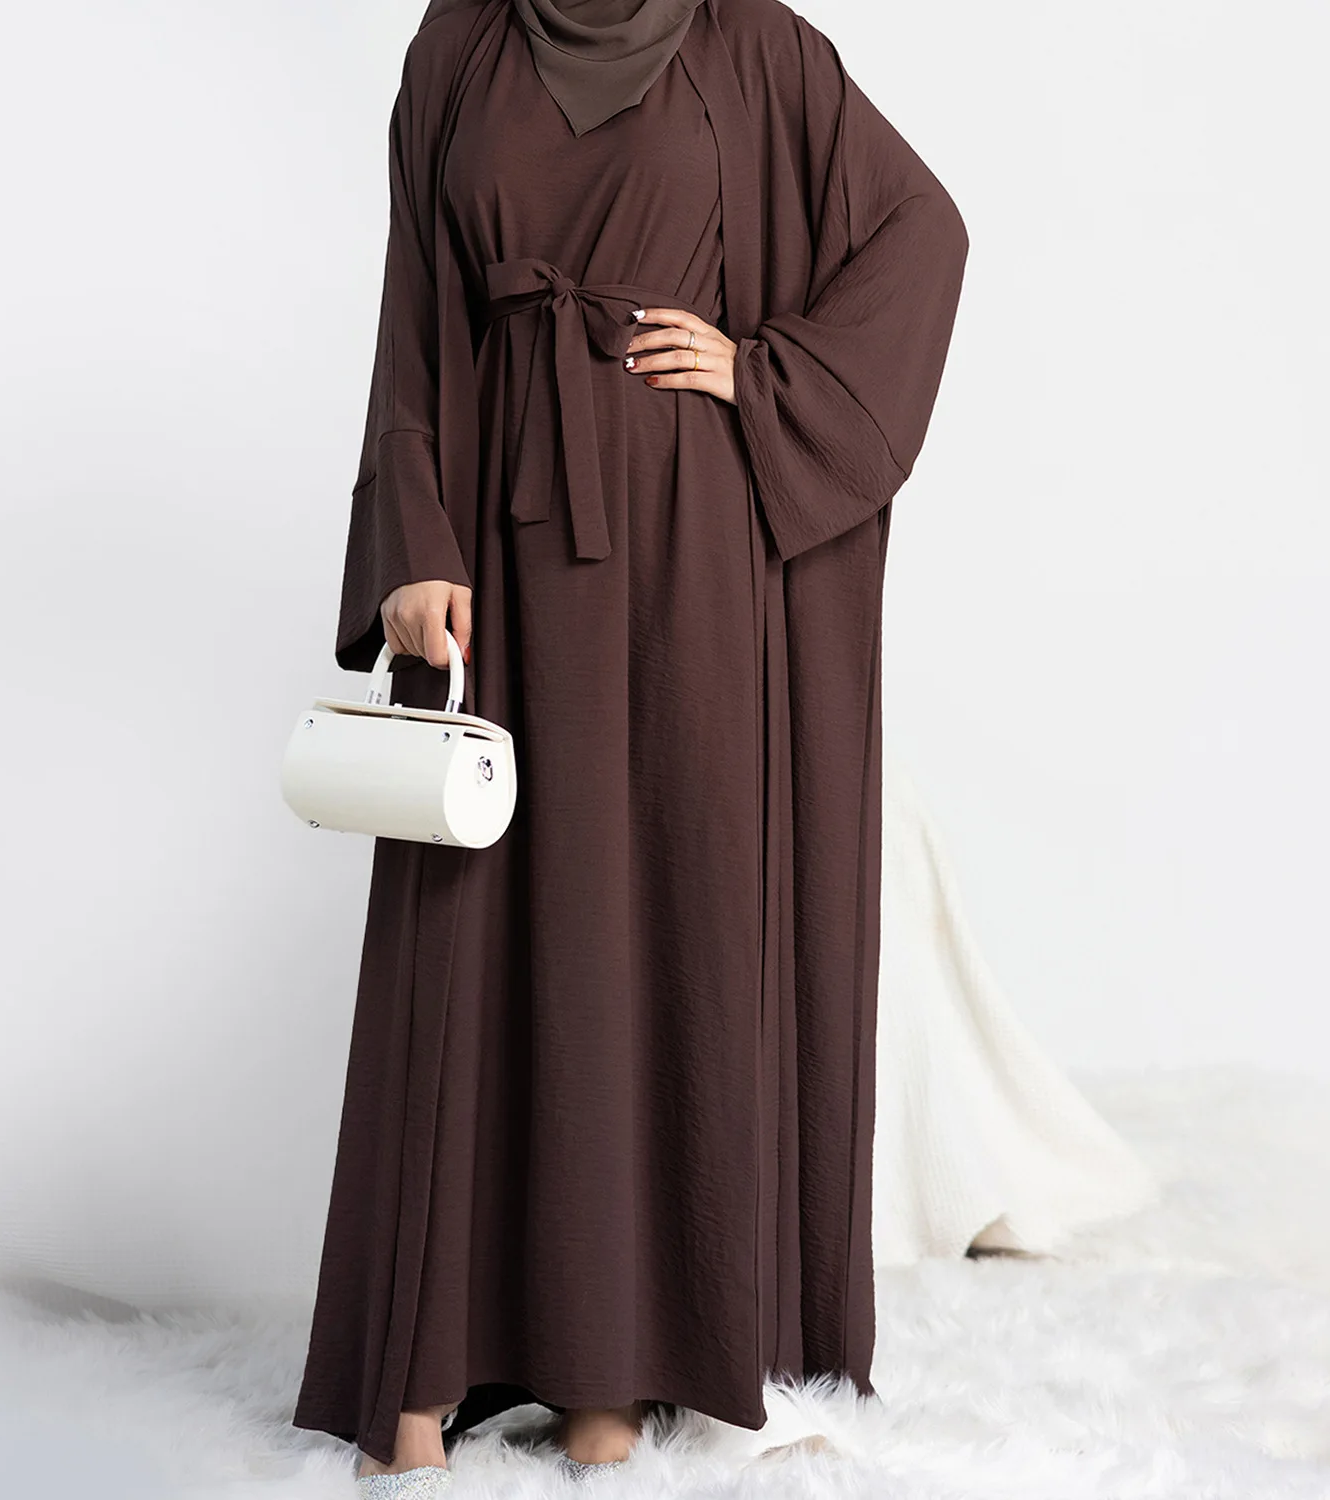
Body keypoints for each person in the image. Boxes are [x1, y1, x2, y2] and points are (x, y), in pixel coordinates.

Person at [289, 0, 968, 1491]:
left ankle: (613, 1368)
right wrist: (413, 538)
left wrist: (765, 371)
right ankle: (423, 1368)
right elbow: (414, 315)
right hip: (499, 538)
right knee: (473, 928)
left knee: (662, 933)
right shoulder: (459, 43)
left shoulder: (756, 45)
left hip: (687, 557)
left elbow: (921, 232)